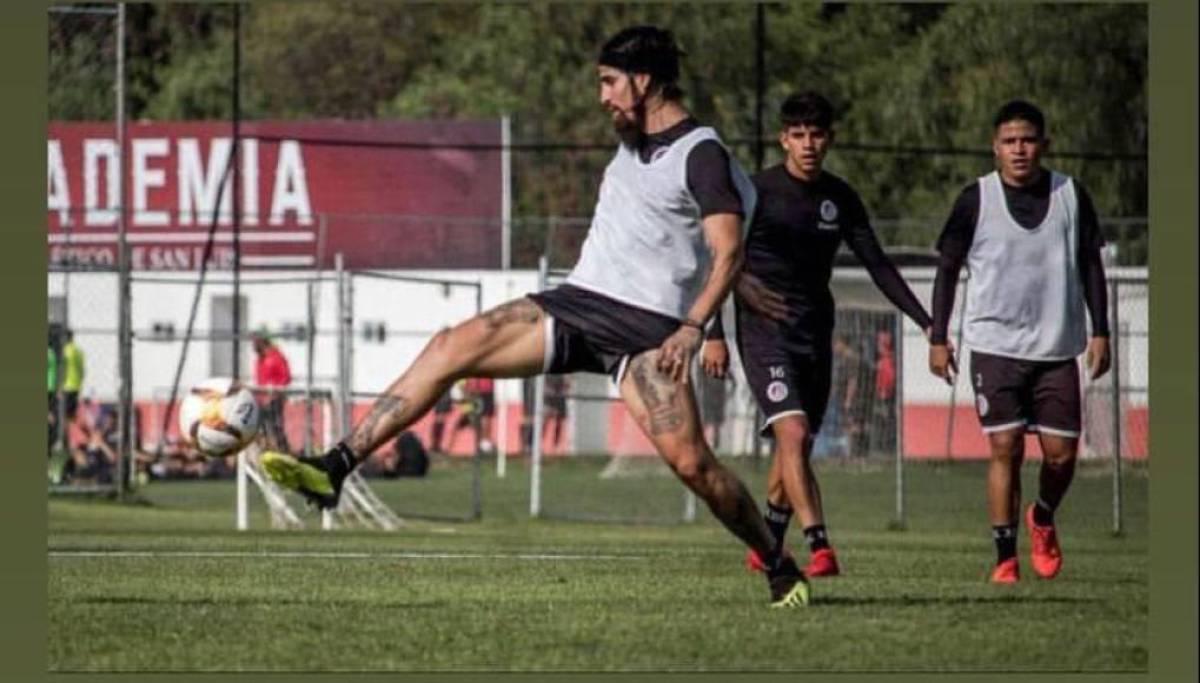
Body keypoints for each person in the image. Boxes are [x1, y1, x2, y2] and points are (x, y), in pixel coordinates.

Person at [260, 25, 809, 607]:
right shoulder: (635, 138)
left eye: (609, 82)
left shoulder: (701, 154)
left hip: (646, 334)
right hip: (575, 304)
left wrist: (697, 324)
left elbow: (727, 246)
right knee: (451, 345)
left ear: (643, 81)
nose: (601, 96)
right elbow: (725, 238)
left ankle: (778, 564)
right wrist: (734, 282)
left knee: (695, 467)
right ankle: (335, 466)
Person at [702, 92, 934, 579]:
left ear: (829, 138)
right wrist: (713, 333)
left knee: (796, 448)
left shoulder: (840, 198)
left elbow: (879, 265)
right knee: (794, 431)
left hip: (815, 333)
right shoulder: (755, 191)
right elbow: (719, 261)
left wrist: (928, 323)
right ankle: (820, 546)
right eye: (798, 135)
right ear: (784, 139)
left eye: (817, 134)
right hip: (764, 333)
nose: (808, 144)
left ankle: (764, 542)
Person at [929, 100, 1110, 584]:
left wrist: (1101, 330)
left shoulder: (1071, 195)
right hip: (994, 344)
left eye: (1028, 140)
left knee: (1061, 455)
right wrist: (938, 336)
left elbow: (1091, 265)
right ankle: (1004, 558)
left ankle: (1043, 516)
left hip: (1056, 346)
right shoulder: (975, 199)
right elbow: (946, 268)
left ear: (1044, 144)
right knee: (1005, 446)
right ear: (995, 148)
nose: (1019, 149)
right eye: (1009, 142)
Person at [253, 332, 293, 452]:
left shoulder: (276, 357)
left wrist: (275, 390)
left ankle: (283, 451)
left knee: (276, 427)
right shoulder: (260, 360)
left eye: (256, 343)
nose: (254, 347)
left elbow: (286, 377)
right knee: (260, 428)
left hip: (273, 398)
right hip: (262, 400)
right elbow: (259, 380)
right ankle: (265, 450)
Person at [60, 329, 85, 425]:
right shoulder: (79, 351)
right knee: (71, 414)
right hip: (76, 384)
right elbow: (82, 369)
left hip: (66, 384)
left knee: (63, 413)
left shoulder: (65, 350)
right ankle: (69, 434)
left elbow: (63, 369)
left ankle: (63, 435)